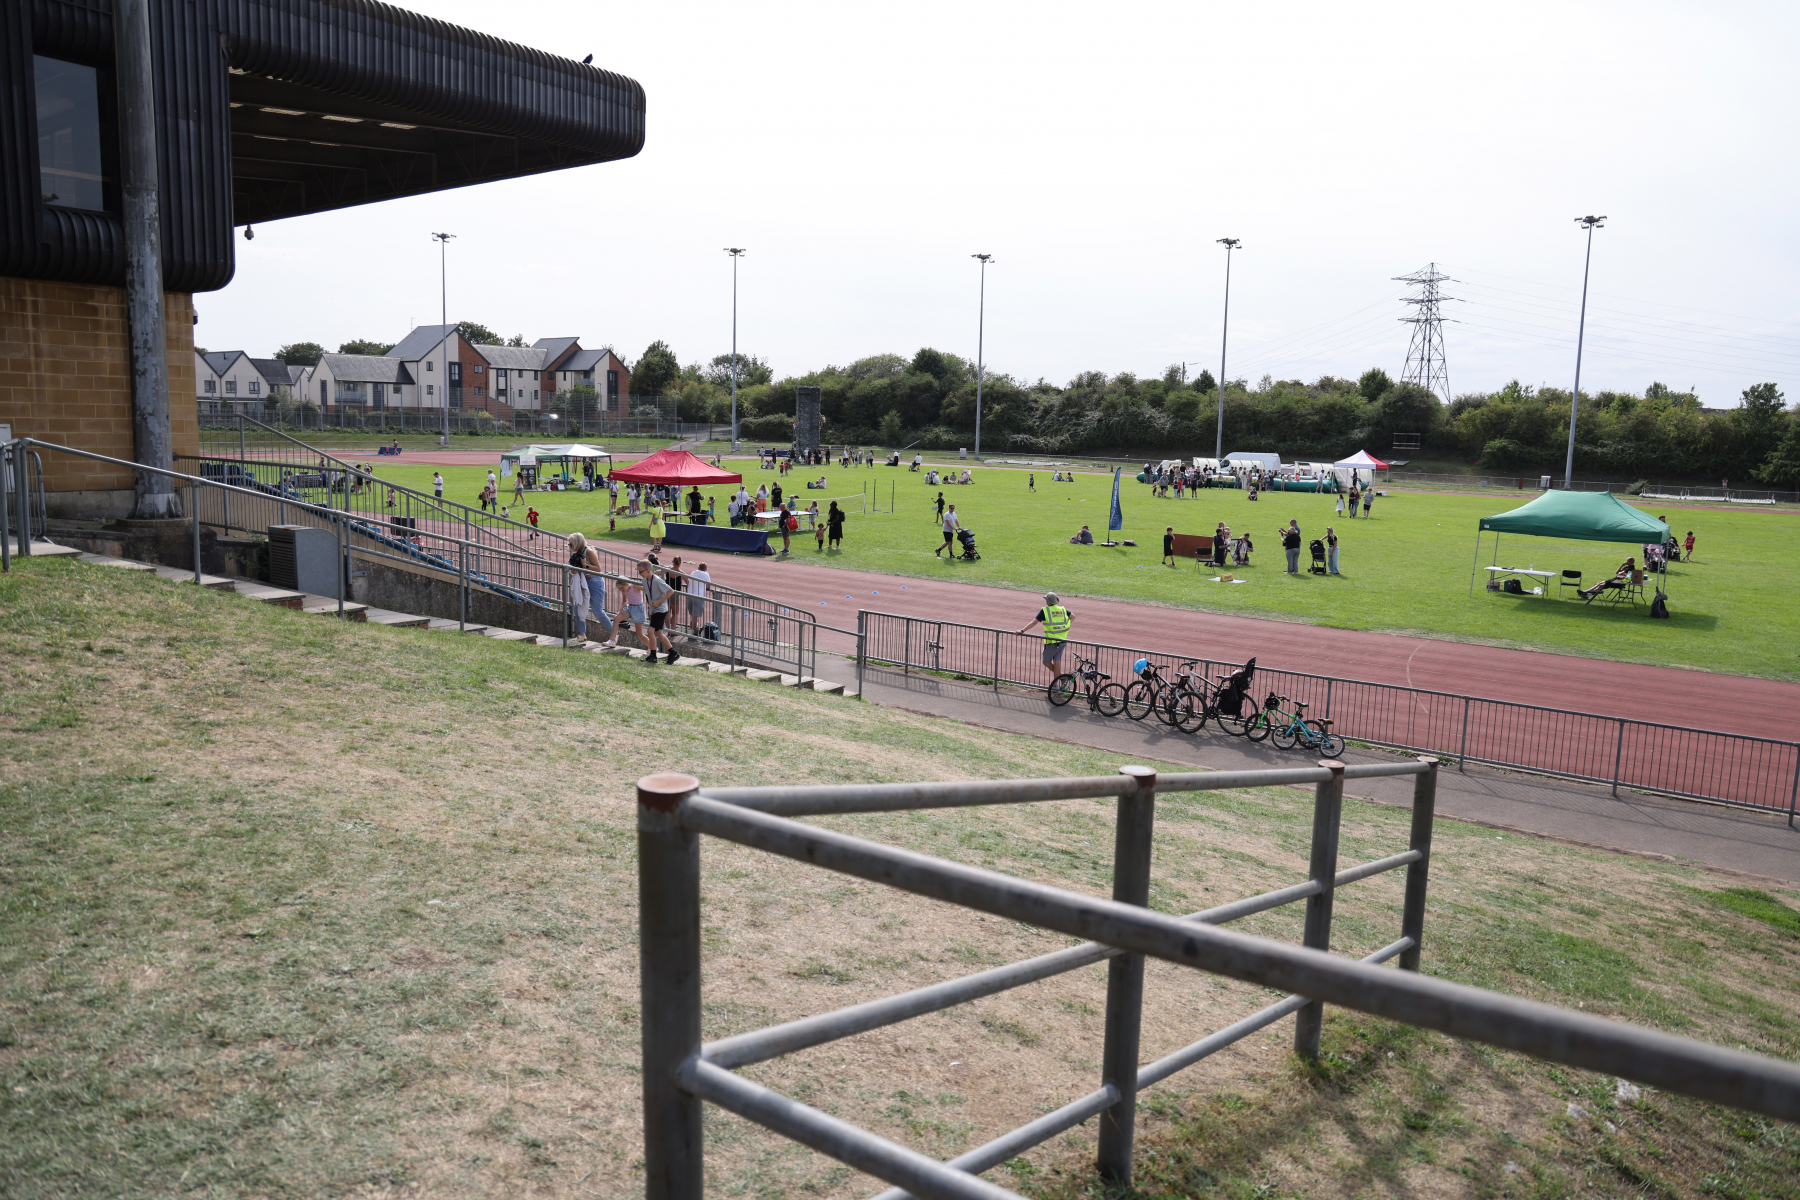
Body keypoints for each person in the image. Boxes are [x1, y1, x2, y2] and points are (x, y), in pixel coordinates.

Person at [567, 533, 613, 644]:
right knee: (577, 607)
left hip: (595, 582)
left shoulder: (589, 551)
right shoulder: (576, 554)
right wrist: (574, 569)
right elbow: (572, 570)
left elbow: (598, 569)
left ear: (578, 543)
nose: (569, 546)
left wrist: (585, 565)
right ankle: (582, 634)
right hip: (584, 582)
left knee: (597, 611)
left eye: (571, 544)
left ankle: (613, 634)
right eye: (569, 544)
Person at [1018, 592, 1073, 684]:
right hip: (1062, 641)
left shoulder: (1045, 611)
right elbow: (1073, 617)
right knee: (1057, 662)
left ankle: (1061, 678)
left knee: (1046, 661)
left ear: (1048, 601)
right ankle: (1058, 682)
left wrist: (1022, 630)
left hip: (1051, 642)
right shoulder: (1063, 609)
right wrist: (1066, 626)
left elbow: (1034, 622)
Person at [636, 558, 678, 664]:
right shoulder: (644, 580)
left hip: (660, 609)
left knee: (650, 631)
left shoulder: (657, 580)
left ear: (648, 570)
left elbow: (670, 591)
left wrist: (659, 601)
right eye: (638, 571)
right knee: (659, 633)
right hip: (654, 609)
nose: (639, 574)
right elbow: (648, 591)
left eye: (640, 572)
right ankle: (673, 653)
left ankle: (653, 656)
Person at [687, 561, 710, 630]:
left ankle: (695, 629)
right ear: (706, 569)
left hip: (689, 596)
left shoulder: (693, 573)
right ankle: (691, 632)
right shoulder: (706, 574)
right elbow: (708, 586)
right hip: (698, 597)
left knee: (693, 616)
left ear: (698, 568)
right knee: (694, 617)